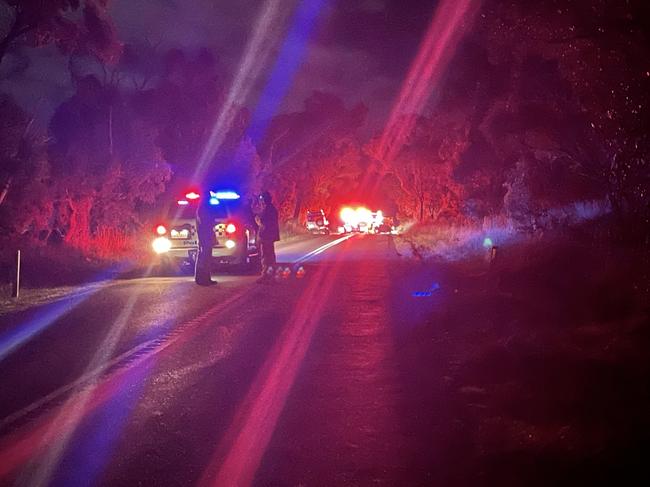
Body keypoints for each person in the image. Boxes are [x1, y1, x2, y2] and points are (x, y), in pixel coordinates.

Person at [255, 191, 280, 283]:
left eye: (262, 199)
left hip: (266, 236)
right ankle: (271, 276)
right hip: (270, 236)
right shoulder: (272, 209)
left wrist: (257, 219)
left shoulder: (267, 210)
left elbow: (263, 223)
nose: (261, 201)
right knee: (270, 256)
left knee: (266, 257)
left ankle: (266, 276)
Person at [195, 194, 216, 285]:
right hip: (205, 235)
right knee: (204, 257)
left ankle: (206, 278)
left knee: (205, 257)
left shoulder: (202, 208)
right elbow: (206, 222)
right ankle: (202, 278)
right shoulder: (204, 209)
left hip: (205, 234)